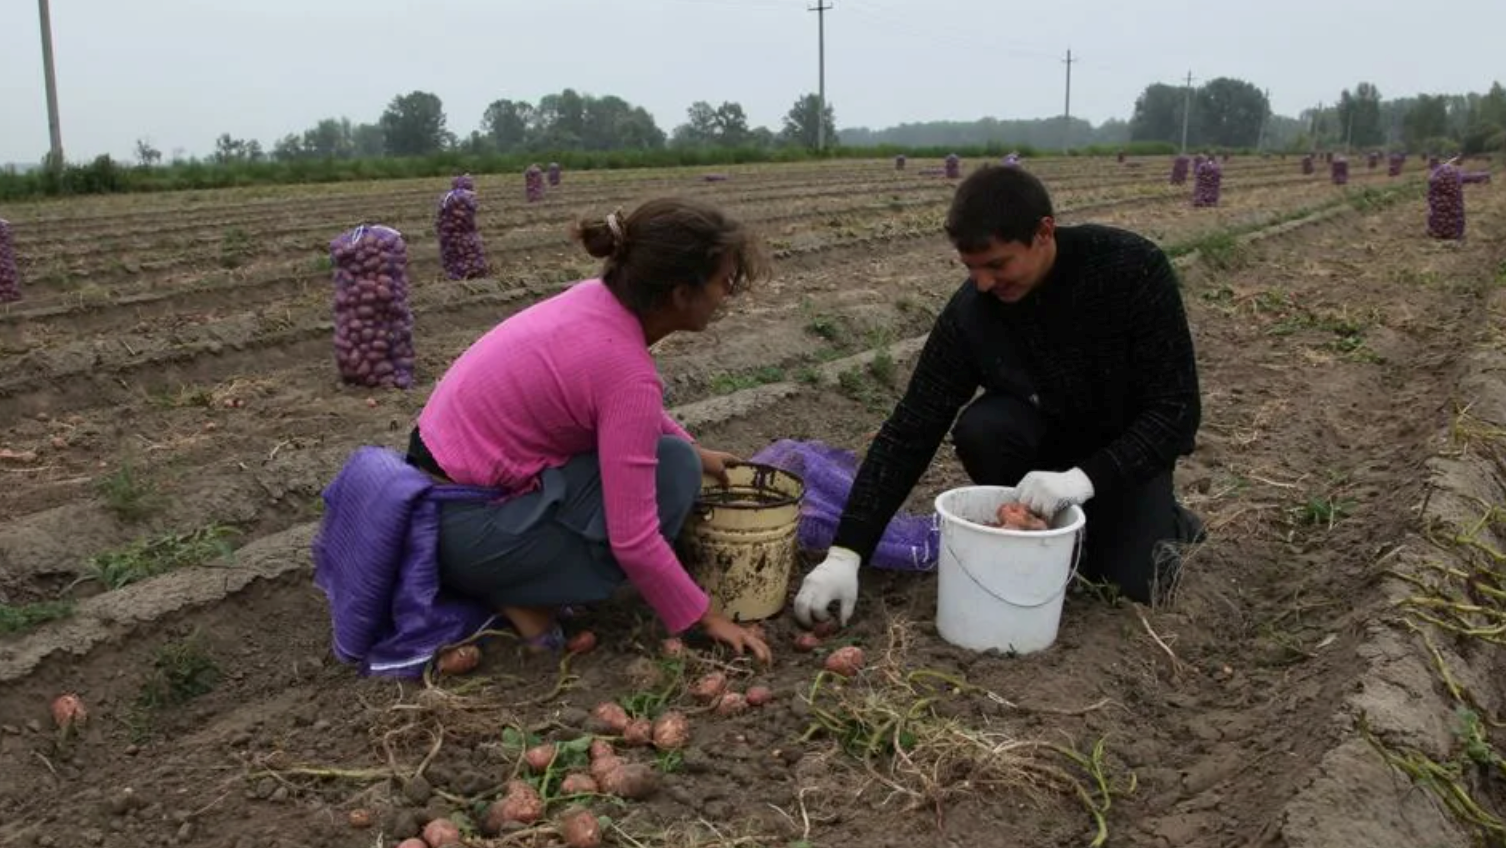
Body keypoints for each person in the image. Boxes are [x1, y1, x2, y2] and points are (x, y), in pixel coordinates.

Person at [792, 164, 1206, 629]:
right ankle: (1048, 533)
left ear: (1043, 232)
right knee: (983, 428)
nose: (984, 282)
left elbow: (1177, 412)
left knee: (1133, 587)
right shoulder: (973, 313)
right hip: (1041, 450)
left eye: (997, 264)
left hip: (1123, 455)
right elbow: (913, 426)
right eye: (971, 268)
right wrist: (846, 553)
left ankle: (1166, 522)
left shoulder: (1128, 270)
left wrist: (1083, 480)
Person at [406, 197, 773, 664]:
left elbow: (617, 411)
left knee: (678, 458)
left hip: (432, 507)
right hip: (464, 537)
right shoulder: (627, 372)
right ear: (682, 294)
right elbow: (634, 539)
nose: (727, 296)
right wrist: (706, 617)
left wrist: (693, 448)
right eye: (723, 283)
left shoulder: (595, 304)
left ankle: (518, 579)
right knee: (672, 477)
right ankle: (522, 592)